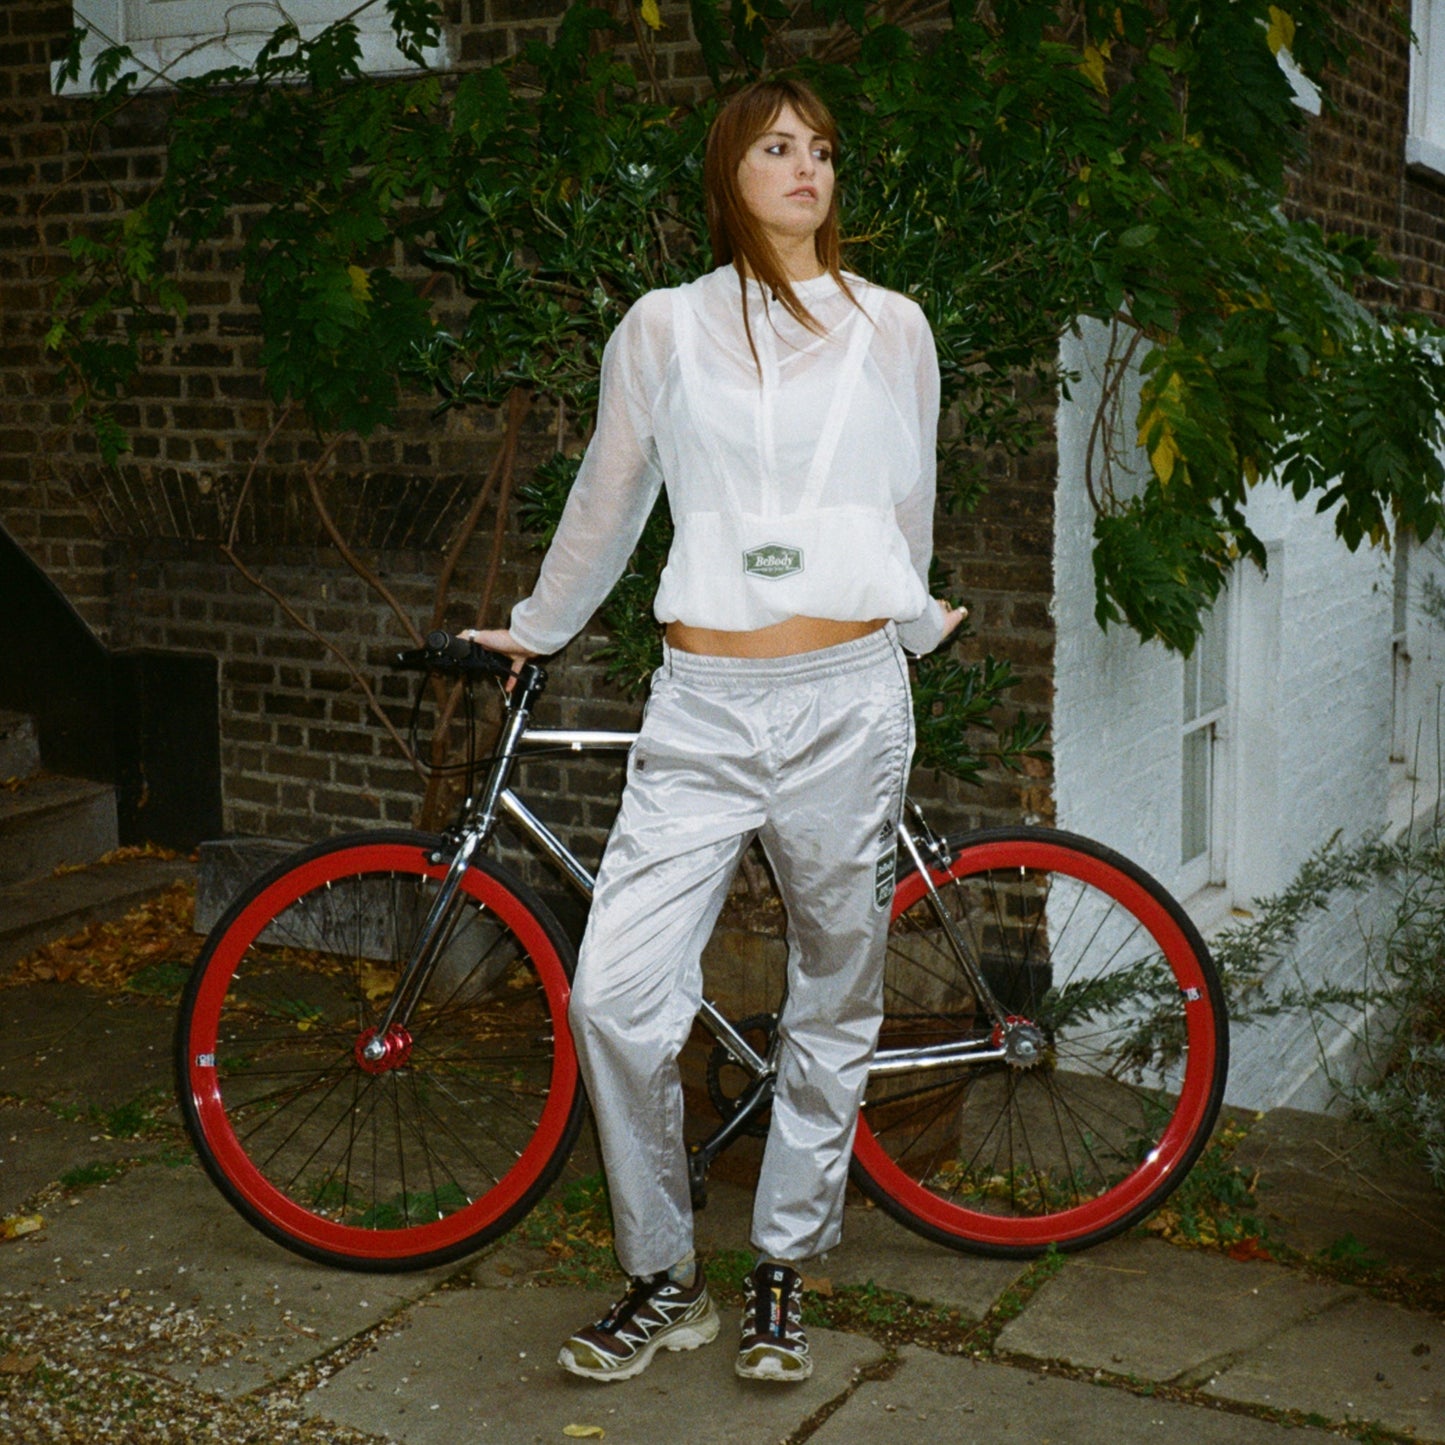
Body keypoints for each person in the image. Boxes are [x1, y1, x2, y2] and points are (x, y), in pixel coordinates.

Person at [463, 77, 965, 1386]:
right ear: (725, 173)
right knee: (618, 1001)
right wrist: (540, 622)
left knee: (831, 989)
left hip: (847, 702)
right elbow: (609, 493)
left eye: (822, 148)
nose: (807, 167)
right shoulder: (663, 327)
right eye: (776, 146)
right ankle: (661, 1273)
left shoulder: (892, 327)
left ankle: (783, 1265)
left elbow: (907, 499)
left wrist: (907, 623)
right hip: (699, 710)